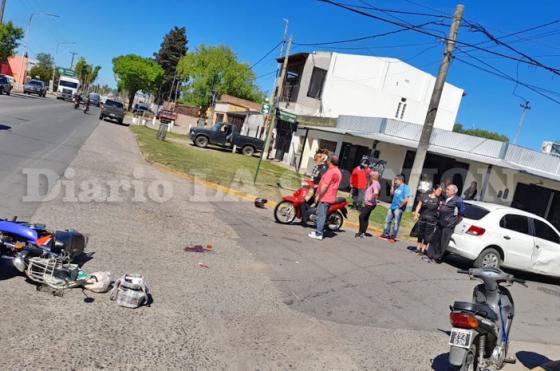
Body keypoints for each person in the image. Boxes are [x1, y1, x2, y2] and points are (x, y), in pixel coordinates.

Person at [426, 184, 465, 263]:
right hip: (440, 222)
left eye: (448, 189)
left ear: (454, 192)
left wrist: (453, 223)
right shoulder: (446, 198)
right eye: (446, 189)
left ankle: (437, 258)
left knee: (442, 242)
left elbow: (461, 213)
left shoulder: (458, 200)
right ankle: (430, 256)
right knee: (435, 239)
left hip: (448, 225)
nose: (446, 191)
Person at [308, 153, 342, 240]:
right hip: (330, 196)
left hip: (325, 196)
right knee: (321, 214)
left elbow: (325, 185)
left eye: (327, 160)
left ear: (330, 161)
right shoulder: (337, 171)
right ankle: (318, 231)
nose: (326, 161)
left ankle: (319, 233)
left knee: (321, 215)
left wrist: (318, 195)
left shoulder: (331, 171)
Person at [301, 149, 328, 226]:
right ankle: (304, 219)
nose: (315, 158)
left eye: (318, 156)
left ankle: (317, 223)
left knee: (315, 208)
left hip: (320, 192)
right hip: (315, 191)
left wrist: (317, 185)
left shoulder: (323, 168)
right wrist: (307, 181)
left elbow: (324, 181)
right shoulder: (317, 166)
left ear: (323, 157)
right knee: (306, 204)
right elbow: (314, 177)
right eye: (316, 156)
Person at [413, 184, 442, 254]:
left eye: (441, 191)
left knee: (428, 235)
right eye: (439, 190)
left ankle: (423, 250)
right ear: (434, 190)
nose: (440, 192)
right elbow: (419, 205)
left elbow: (439, 210)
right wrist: (416, 214)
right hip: (422, 217)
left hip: (432, 220)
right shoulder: (424, 196)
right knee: (420, 233)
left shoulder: (439, 200)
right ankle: (418, 248)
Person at [381, 174, 410, 241]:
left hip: (398, 208)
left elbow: (406, 199)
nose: (395, 181)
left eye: (396, 180)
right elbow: (391, 194)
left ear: (400, 180)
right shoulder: (396, 187)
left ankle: (393, 236)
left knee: (396, 222)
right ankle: (386, 234)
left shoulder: (406, 187)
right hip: (392, 207)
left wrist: (400, 206)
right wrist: (392, 186)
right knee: (387, 220)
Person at [355, 171, 381, 238]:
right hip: (370, 203)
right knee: (365, 218)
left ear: (374, 177)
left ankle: (360, 232)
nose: (369, 177)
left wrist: (370, 198)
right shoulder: (375, 183)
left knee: (361, 216)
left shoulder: (375, 183)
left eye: (370, 176)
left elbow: (376, 192)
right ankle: (363, 233)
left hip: (370, 204)